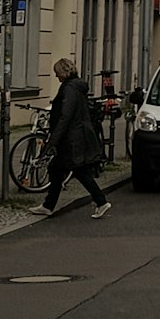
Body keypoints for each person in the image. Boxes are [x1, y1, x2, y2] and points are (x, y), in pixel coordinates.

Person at [29, 58, 111, 219]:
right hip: (76, 134)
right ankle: (48, 205)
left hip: (71, 137)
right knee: (58, 170)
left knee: (78, 170)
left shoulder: (69, 89)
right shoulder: (76, 86)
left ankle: (101, 202)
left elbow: (65, 116)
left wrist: (54, 139)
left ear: (63, 73)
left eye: (57, 73)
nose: (56, 76)